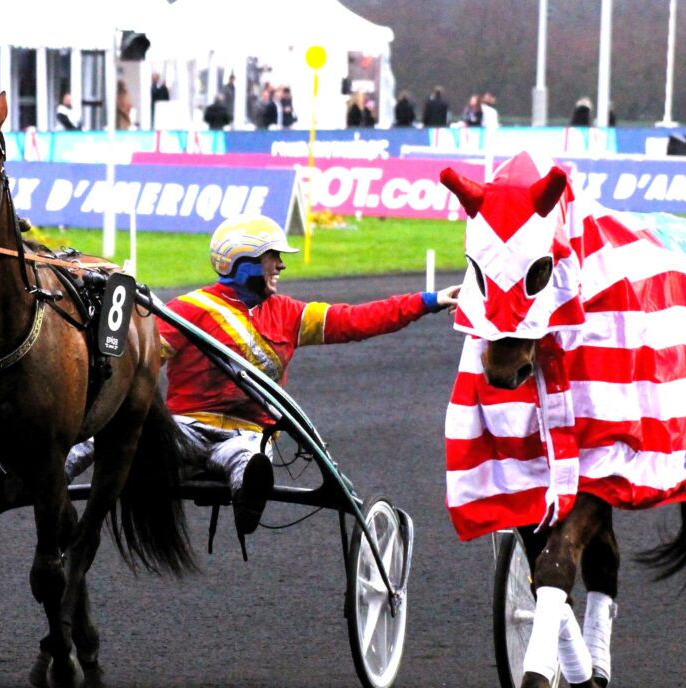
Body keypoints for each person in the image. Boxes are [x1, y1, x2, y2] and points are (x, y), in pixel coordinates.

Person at [65, 214, 461, 535]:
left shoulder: (291, 314)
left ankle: (248, 489)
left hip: (246, 435)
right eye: (274, 257)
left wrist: (427, 301)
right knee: (107, 434)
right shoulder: (190, 310)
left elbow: (355, 319)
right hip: (184, 431)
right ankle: (49, 468)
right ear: (245, 263)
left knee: (247, 458)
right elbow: (136, 365)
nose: (282, 265)